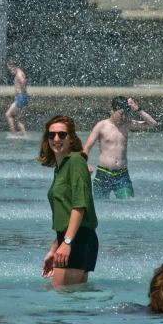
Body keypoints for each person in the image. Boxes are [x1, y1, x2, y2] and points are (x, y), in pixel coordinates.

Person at [39, 115, 99, 287]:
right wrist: (54, 249)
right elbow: (65, 215)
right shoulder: (61, 167)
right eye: (51, 135)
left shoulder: (76, 161)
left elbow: (79, 206)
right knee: (70, 305)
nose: (56, 139)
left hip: (78, 240)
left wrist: (66, 243)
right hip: (70, 239)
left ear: (71, 138)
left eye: (62, 135)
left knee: (62, 303)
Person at [83, 96, 158, 199]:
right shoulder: (101, 126)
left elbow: (152, 124)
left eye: (126, 114)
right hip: (103, 175)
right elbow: (87, 147)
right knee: (100, 206)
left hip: (122, 175)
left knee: (128, 204)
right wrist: (85, 164)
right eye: (121, 113)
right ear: (112, 110)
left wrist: (137, 109)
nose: (123, 117)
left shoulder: (127, 124)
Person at [5, 60, 29, 137]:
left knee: (8, 114)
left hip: (21, 98)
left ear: (13, 67)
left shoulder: (19, 74)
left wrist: (23, 82)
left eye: (10, 69)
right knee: (18, 119)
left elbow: (23, 81)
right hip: (22, 97)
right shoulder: (20, 73)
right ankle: (25, 135)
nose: (10, 71)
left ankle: (14, 135)